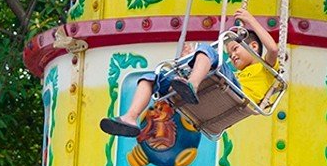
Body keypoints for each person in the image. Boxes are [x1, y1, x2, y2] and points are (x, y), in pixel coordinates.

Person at [102, 9, 281, 138]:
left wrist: (250, 20)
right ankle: (130, 117)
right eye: (230, 53)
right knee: (150, 78)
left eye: (235, 49)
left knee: (208, 51)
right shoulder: (235, 75)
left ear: (253, 47)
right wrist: (187, 62)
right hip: (221, 92)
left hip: (238, 93)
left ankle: (192, 84)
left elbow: (273, 49)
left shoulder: (265, 67)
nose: (232, 56)